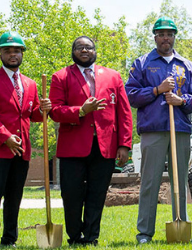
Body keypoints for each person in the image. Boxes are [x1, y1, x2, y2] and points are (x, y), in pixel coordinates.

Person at [125, 16, 192, 244]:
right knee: (150, 181)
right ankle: (144, 233)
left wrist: (181, 100)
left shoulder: (186, 65)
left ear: (174, 37)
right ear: (155, 37)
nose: (165, 38)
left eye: (169, 34)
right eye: (161, 34)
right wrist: (157, 90)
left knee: (180, 181)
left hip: (179, 128)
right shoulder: (142, 63)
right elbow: (131, 95)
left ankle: (181, 223)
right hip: (153, 130)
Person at [49, 36, 133, 246]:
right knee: (72, 194)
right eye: (79, 47)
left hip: (105, 146)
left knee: (97, 194)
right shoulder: (60, 77)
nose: (84, 51)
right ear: (73, 51)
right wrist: (81, 111)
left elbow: (124, 112)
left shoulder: (113, 76)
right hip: (73, 147)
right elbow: (55, 111)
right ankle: (75, 237)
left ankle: (92, 237)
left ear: (95, 51)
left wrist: (124, 144)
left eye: (88, 47)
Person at [0, 31, 51, 248]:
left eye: (16, 50)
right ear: (0, 53)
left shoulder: (30, 83)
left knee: (14, 197)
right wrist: (6, 137)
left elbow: (32, 114)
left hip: (22, 150)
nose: (12, 54)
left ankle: (9, 239)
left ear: (22, 53)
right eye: (7, 50)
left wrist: (44, 109)